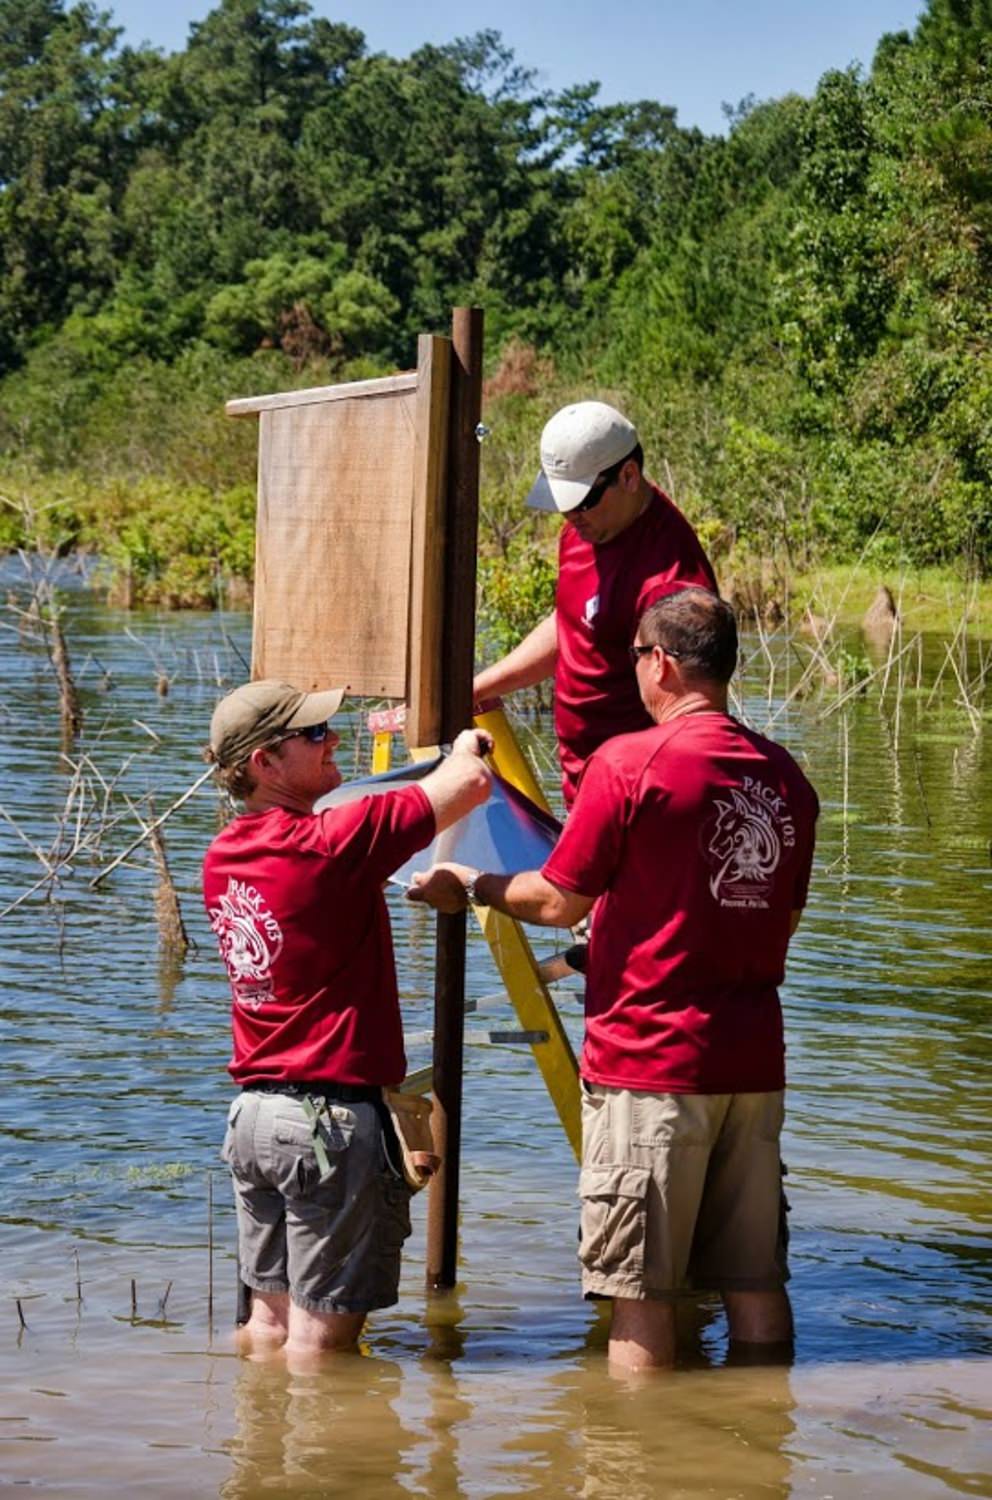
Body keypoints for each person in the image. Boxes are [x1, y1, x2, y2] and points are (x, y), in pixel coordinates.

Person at [412, 589, 818, 1371]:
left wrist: (476, 881)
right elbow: (784, 920)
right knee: (756, 1282)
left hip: (650, 1068)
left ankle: (637, 1466)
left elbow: (559, 900)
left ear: (660, 662)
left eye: (635, 655)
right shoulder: (786, 777)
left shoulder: (629, 763)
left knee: (639, 1293)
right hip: (753, 1065)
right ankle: (765, 1450)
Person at [202, 678, 491, 1358]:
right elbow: (469, 782)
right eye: (311, 735)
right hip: (326, 1127)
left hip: (254, 1120)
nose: (333, 739)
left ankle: (254, 1458)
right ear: (263, 764)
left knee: (267, 1326)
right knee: (320, 1349)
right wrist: (468, 743)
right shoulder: (332, 841)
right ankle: (325, 1464)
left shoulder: (222, 858)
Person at [473, 401, 717, 806]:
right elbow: (574, 622)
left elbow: (690, 717)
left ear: (629, 475)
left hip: (636, 797)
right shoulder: (588, 528)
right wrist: (479, 686)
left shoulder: (673, 584)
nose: (570, 516)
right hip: (584, 786)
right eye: (563, 502)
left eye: (582, 500)